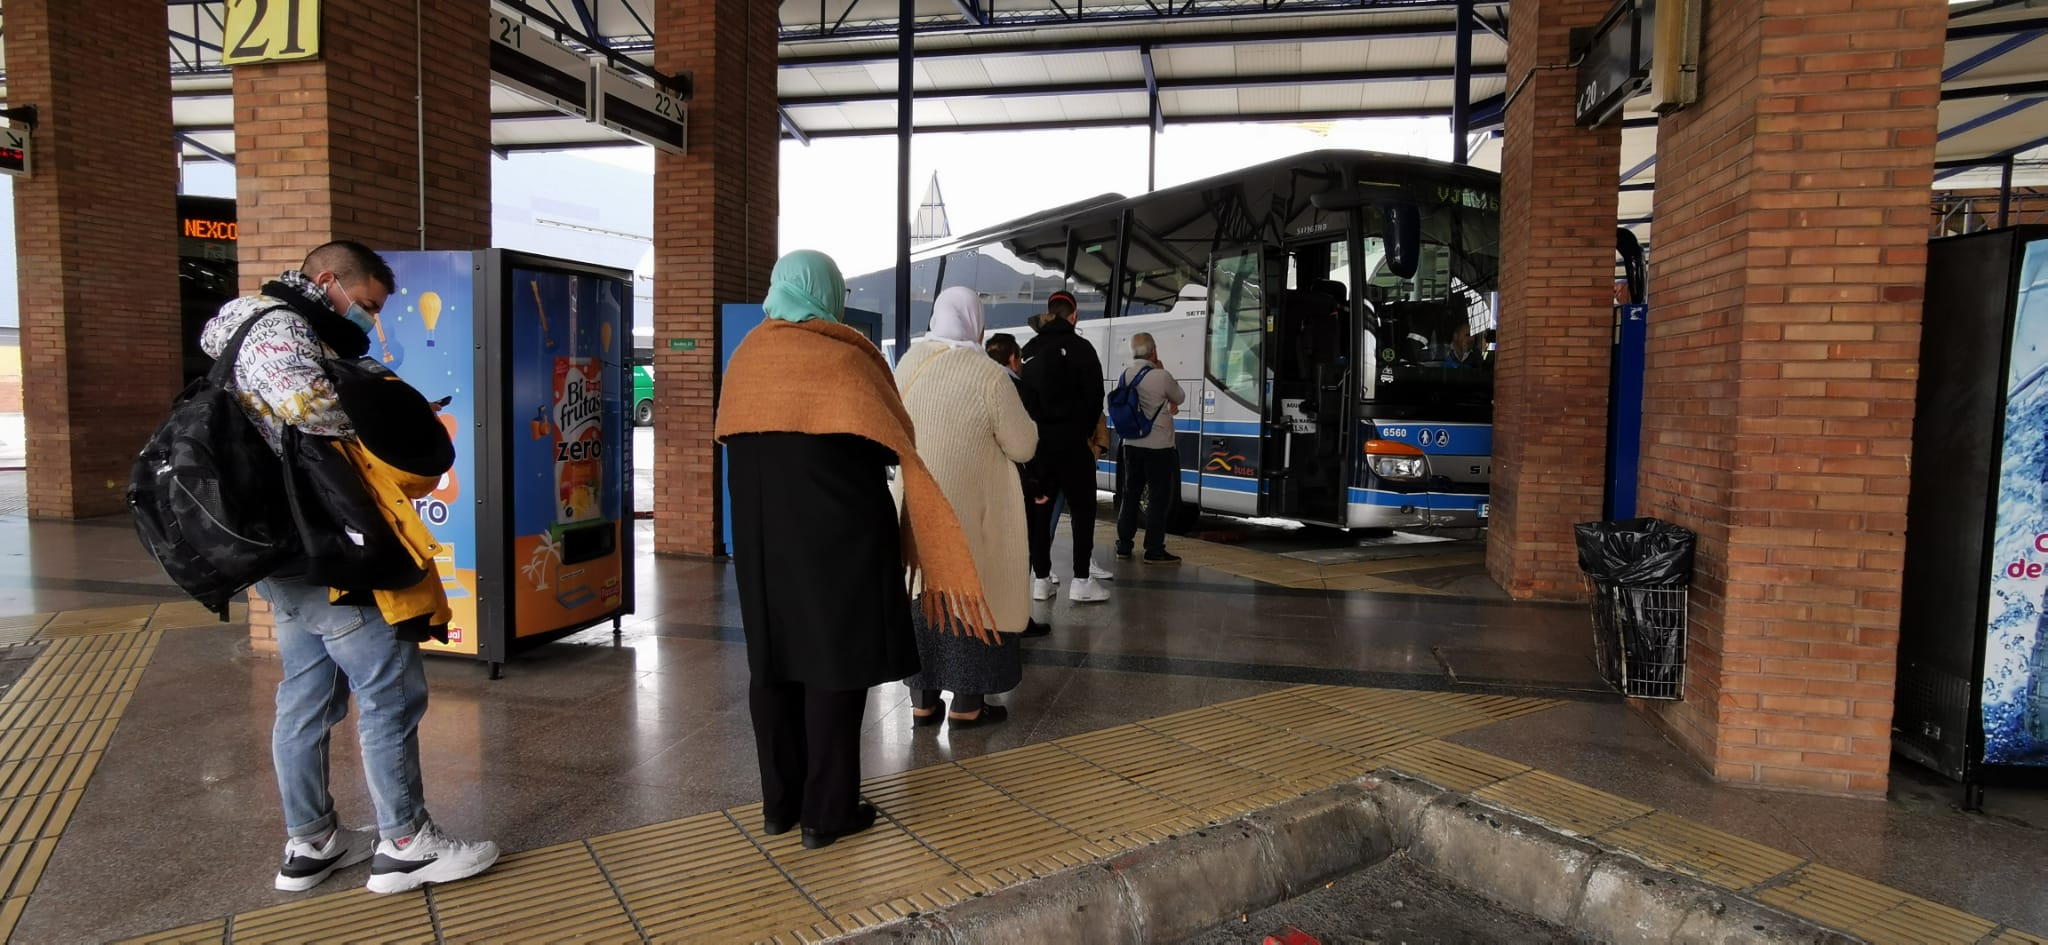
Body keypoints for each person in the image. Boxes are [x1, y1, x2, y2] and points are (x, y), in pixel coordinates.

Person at [200, 241, 498, 895]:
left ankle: (312, 841)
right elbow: (309, 410)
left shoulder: (249, 327)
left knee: (308, 697)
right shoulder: (278, 327)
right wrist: (389, 420)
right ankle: (405, 843)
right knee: (390, 692)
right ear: (328, 280)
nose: (370, 320)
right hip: (324, 543)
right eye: (364, 304)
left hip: (288, 548)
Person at [716, 250, 995, 849]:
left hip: (764, 544)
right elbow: (890, 445)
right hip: (836, 537)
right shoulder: (843, 357)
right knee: (833, 670)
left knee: (773, 667)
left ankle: (779, 805)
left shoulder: (747, 356)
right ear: (828, 294)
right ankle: (827, 812)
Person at [895, 288, 1039, 727]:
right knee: (971, 598)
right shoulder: (989, 375)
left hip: (915, 507)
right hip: (969, 514)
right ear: (975, 321)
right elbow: (1024, 445)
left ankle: (922, 702)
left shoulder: (909, 365)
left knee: (920, 596)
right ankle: (967, 705)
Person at [1021, 290, 1111, 604]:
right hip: (1073, 443)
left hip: (1039, 446)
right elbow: (1095, 398)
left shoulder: (1029, 350)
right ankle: (1082, 580)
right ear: (1073, 316)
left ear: (1050, 312)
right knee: (1083, 511)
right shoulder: (1082, 349)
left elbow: (1023, 399)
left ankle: (1041, 580)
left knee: (1040, 511)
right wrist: (1081, 432)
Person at [987, 334, 1054, 639]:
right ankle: (1017, 618)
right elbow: (1030, 444)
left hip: (987, 483)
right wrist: (1038, 485)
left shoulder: (979, 383)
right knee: (1020, 549)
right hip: (1019, 483)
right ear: (1014, 358)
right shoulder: (1021, 391)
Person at [1113, 332, 1186, 563]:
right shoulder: (1161, 376)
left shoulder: (1125, 375)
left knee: (1130, 494)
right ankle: (1154, 549)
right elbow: (1180, 396)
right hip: (1158, 447)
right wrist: (1163, 370)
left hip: (1131, 444)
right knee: (1157, 498)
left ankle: (1124, 545)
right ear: (1153, 351)